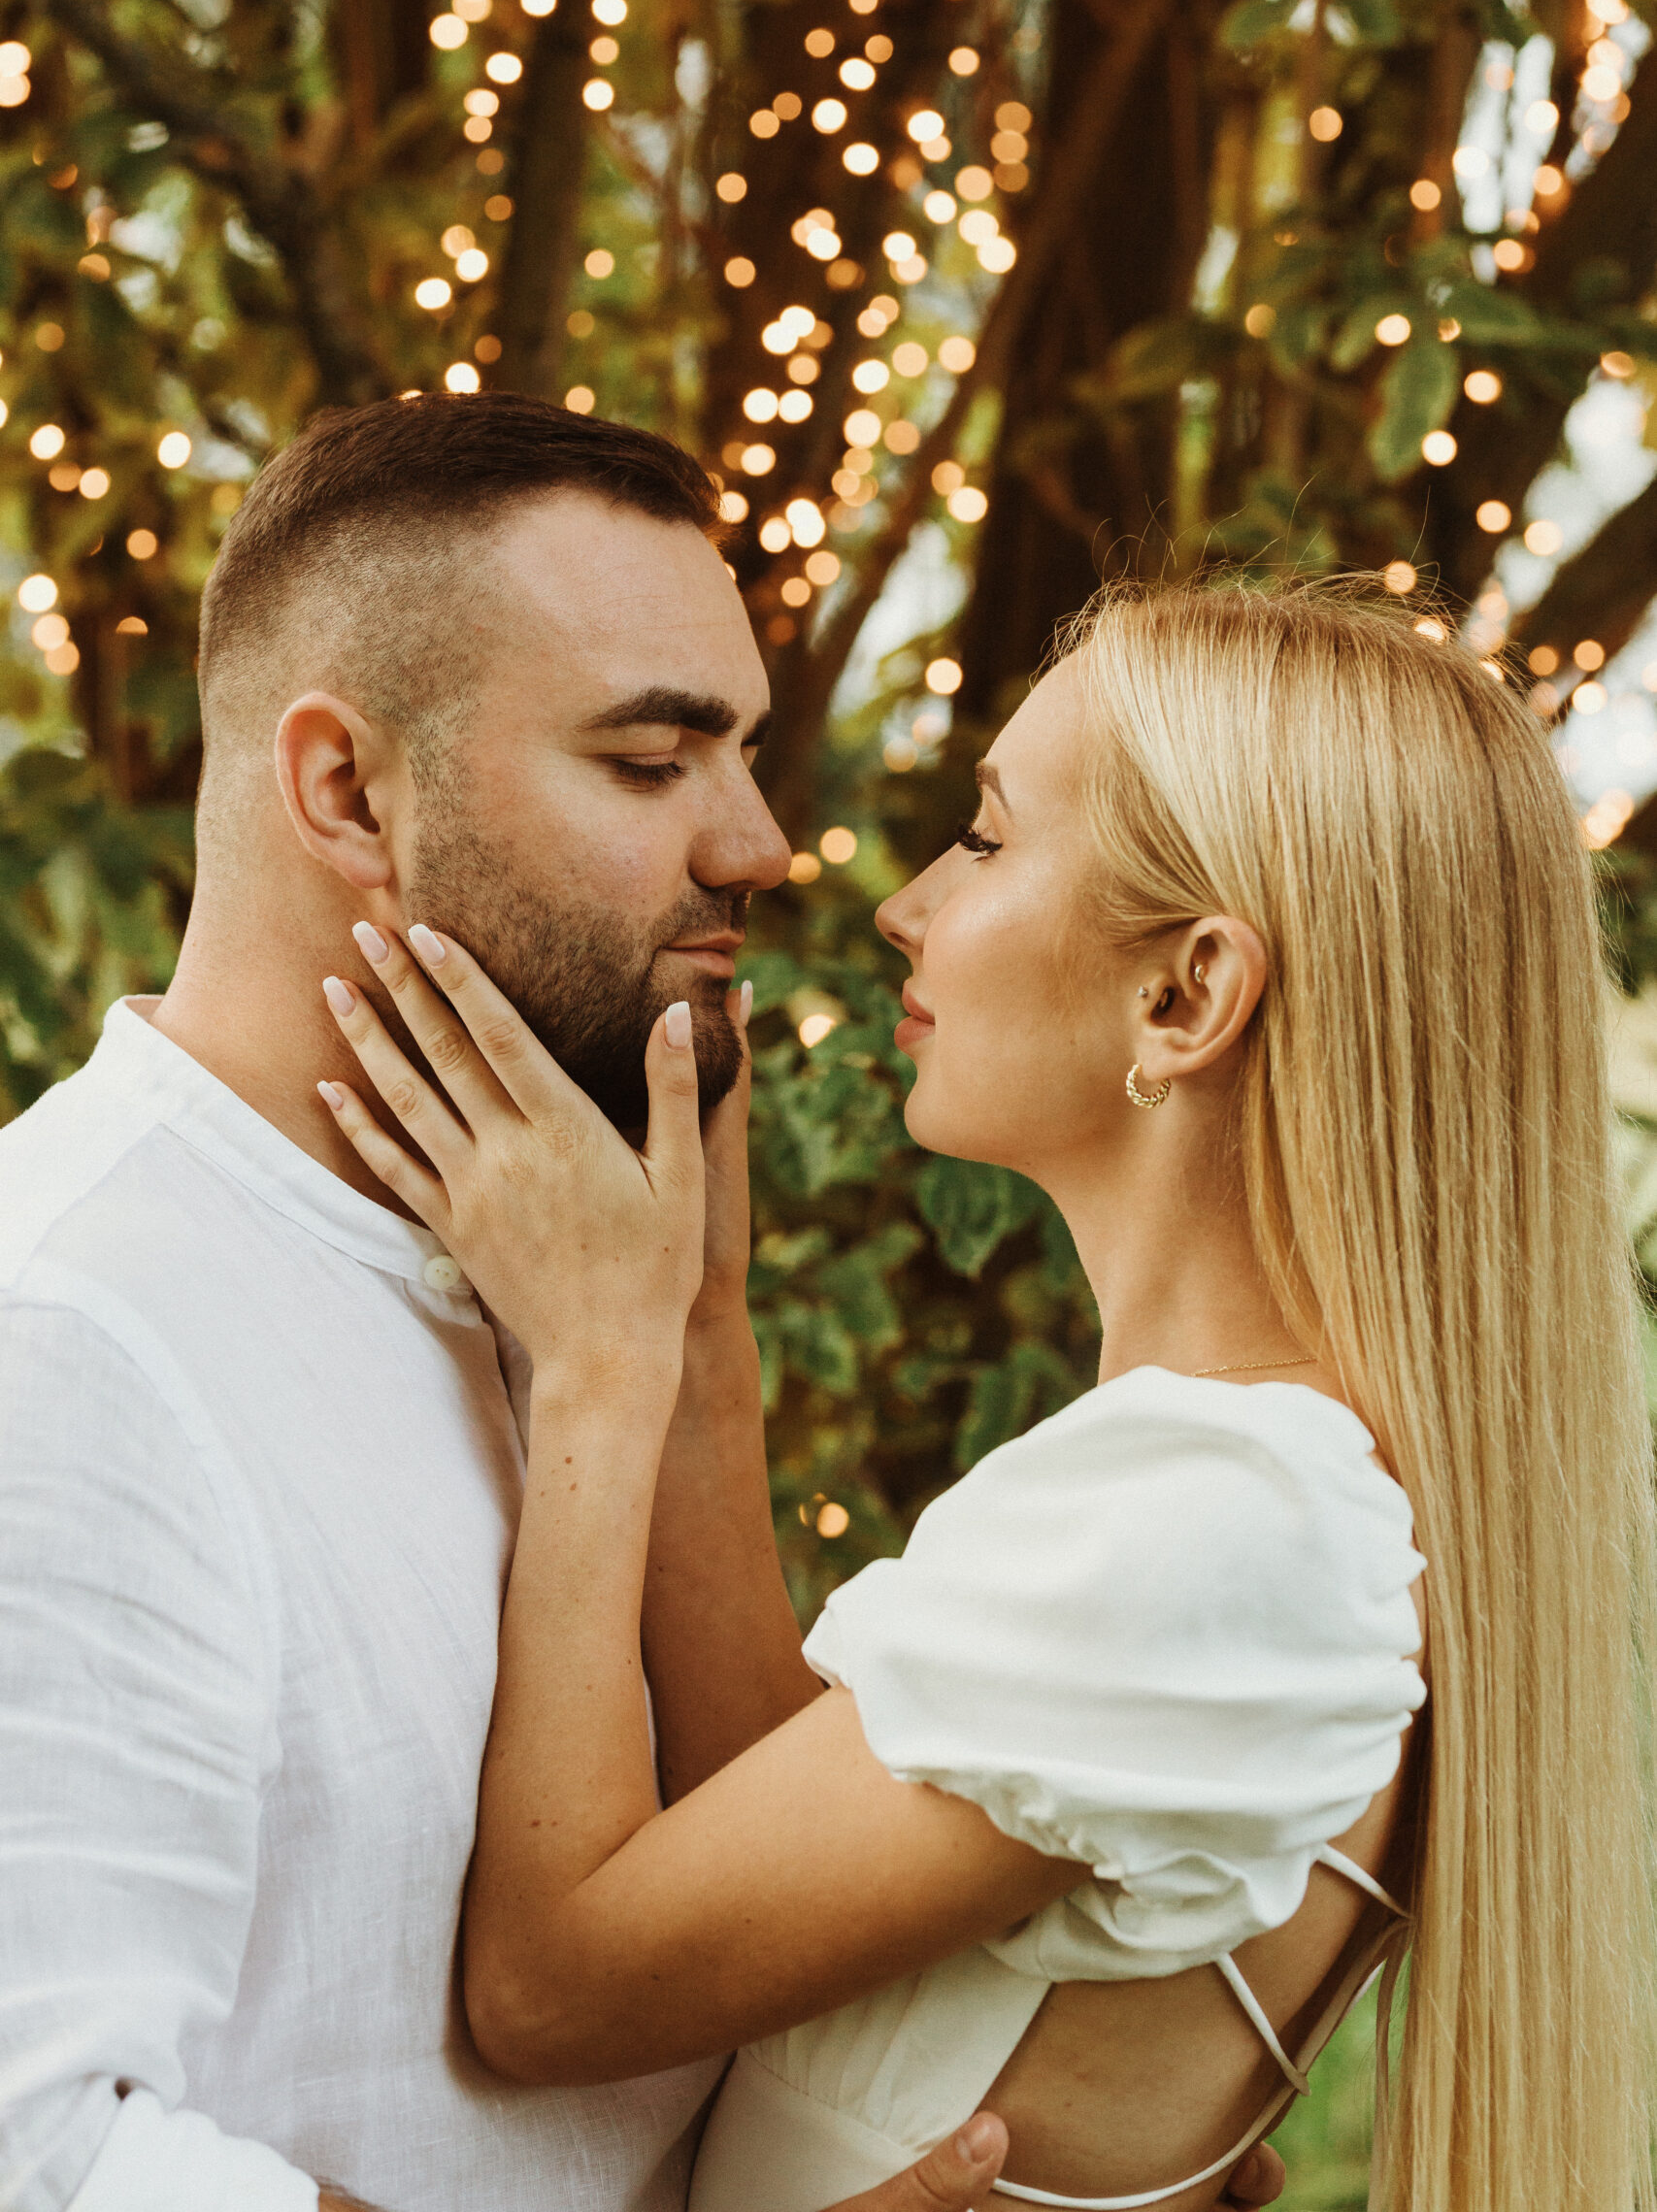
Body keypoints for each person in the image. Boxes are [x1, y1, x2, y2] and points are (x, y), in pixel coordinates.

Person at [0, 397, 1299, 2212]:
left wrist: (1087, 2124)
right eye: (649, 760)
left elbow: (716, 1916)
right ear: (347, 794)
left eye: (742, 754)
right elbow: (44, 2151)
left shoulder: (577, 1263)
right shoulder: (72, 1334)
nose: (759, 845)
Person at [318, 578, 1657, 2212]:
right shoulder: (1263, 1500)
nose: (904, 905)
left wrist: (603, 1369)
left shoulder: (1218, 1523)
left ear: (1185, 997)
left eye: (986, 838)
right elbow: (770, 1857)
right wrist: (703, 1340)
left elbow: (553, 1991)